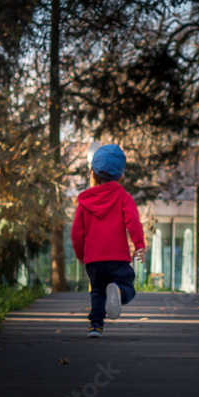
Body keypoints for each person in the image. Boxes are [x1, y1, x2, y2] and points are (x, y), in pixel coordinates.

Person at [71, 144, 146, 338]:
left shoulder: (84, 202)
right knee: (127, 286)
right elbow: (133, 222)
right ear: (121, 176)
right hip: (117, 258)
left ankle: (95, 326)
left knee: (97, 292)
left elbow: (76, 232)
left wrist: (80, 255)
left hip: (94, 259)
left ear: (92, 173)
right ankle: (119, 294)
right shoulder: (123, 197)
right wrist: (139, 245)